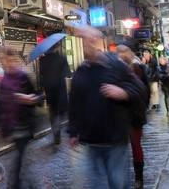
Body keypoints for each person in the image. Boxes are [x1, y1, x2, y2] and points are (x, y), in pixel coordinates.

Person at [68, 26, 146, 189]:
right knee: (97, 183)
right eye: (82, 41)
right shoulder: (81, 72)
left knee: (117, 182)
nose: (86, 44)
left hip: (115, 138)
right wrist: (73, 131)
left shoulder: (115, 65)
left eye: (89, 40)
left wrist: (124, 93)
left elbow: (139, 88)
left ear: (98, 42)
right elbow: (75, 103)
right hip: (91, 139)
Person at [0, 49, 41, 189]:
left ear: (17, 61)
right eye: (6, 61)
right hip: (10, 127)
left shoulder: (24, 77)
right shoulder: (3, 80)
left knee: (18, 161)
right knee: (21, 161)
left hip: (24, 127)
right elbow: (0, 103)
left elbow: (38, 97)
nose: (9, 64)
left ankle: (17, 185)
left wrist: (30, 99)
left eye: (12, 60)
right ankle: (27, 183)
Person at [117, 45, 150, 189]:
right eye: (119, 53)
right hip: (120, 115)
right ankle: (124, 177)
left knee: (135, 146)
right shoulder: (116, 71)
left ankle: (138, 177)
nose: (121, 56)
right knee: (121, 148)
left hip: (134, 115)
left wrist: (141, 109)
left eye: (123, 53)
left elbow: (145, 91)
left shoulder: (138, 69)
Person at [38, 42, 70, 145]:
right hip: (60, 89)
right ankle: (58, 130)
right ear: (56, 47)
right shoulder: (62, 58)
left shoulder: (43, 60)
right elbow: (67, 74)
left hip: (49, 90)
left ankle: (55, 131)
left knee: (52, 112)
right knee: (60, 112)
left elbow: (41, 74)